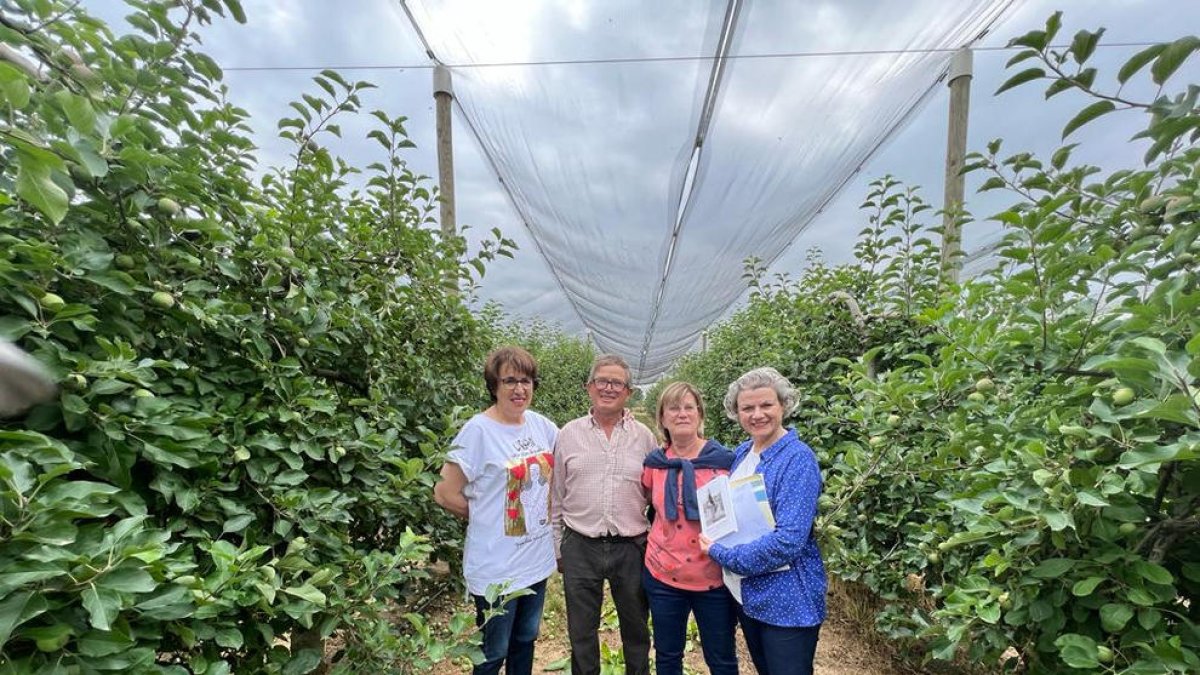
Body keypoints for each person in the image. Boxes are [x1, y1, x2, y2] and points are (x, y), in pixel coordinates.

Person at [433, 346, 558, 675]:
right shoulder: (478, 431)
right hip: (496, 568)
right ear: (494, 385)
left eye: (527, 381)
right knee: (493, 651)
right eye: (510, 381)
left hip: (535, 559)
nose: (520, 389)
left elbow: (573, 448)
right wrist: (488, 517)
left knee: (526, 639)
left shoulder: (540, 425)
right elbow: (445, 493)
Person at [699, 367, 826, 675]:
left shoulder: (797, 459)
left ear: (783, 406)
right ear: (736, 412)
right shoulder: (744, 452)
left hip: (787, 601)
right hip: (751, 594)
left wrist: (723, 554)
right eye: (748, 408)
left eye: (766, 405)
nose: (757, 414)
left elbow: (788, 541)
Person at [550, 354, 657, 675]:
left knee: (636, 629)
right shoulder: (568, 434)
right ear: (589, 387)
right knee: (581, 632)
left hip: (631, 546)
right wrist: (559, 545)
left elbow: (653, 495)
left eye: (617, 383)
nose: (608, 388)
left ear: (629, 392)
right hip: (581, 544)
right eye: (602, 381)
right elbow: (556, 496)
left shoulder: (645, 437)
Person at [641, 381, 738, 675]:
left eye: (688, 407)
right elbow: (649, 503)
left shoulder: (724, 462)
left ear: (699, 414)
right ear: (662, 417)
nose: (681, 414)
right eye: (673, 408)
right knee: (668, 656)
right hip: (663, 575)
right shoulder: (654, 465)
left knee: (721, 658)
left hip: (713, 577)